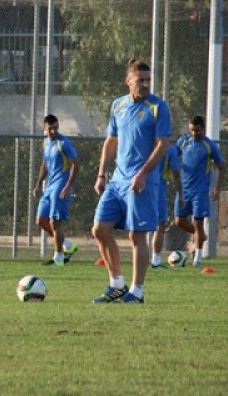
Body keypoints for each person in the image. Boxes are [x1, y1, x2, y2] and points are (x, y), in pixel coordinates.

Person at [92, 59, 171, 304]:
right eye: (141, 80)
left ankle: (136, 291)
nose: (146, 84)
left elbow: (162, 144)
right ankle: (116, 284)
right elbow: (111, 141)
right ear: (129, 81)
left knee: (137, 236)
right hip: (117, 181)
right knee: (99, 229)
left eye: (149, 80)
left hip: (142, 182)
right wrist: (101, 174)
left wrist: (143, 174)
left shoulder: (158, 107)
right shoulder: (118, 105)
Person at [174, 115, 226, 269]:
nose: (194, 133)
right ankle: (201, 236)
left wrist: (217, 188)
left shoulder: (209, 145)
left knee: (198, 223)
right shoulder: (183, 142)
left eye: (197, 130)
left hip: (200, 191)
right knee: (179, 221)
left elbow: (222, 166)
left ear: (203, 129)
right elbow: (172, 156)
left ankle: (197, 258)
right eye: (192, 130)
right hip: (184, 189)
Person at [32, 114, 80, 266]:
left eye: (56, 127)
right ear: (44, 129)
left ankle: (58, 259)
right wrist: (39, 184)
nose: (53, 131)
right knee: (40, 220)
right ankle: (68, 246)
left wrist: (67, 185)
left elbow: (75, 165)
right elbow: (45, 165)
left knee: (55, 222)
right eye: (50, 128)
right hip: (50, 186)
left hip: (61, 187)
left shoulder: (64, 143)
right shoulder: (46, 143)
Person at [150, 144, 183, 268]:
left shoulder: (144, 144)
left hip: (140, 187)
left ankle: (138, 258)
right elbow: (175, 173)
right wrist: (181, 193)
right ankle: (156, 261)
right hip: (158, 190)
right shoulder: (169, 149)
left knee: (138, 227)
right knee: (160, 225)